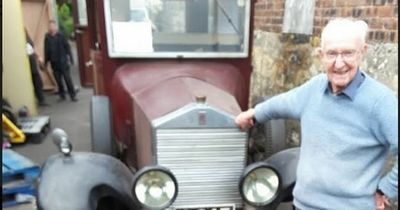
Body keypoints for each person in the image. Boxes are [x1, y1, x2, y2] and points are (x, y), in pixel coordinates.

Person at [235, 18, 397, 210]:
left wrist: (386, 189)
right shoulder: (314, 88)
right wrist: (253, 114)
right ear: (321, 55)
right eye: (331, 54)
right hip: (302, 206)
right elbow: (282, 103)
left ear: (363, 52)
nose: (339, 63)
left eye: (348, 53)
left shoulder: (381, 102)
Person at [44, 20, 78, 102]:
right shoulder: (47, 37)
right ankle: (62, 95)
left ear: (55, 27)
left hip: (63, 61)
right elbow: (46, 50)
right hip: (54, 62)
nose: (51, 28)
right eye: (50, 26)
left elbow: (67, 47)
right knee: (58, 80)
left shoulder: (61, 35)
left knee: (67, 79)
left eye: (52, 26)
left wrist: (71, 58)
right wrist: (46, 61)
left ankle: (72, 95)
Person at [25, 29, 49, 107]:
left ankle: (41, 99)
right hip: (27, 62)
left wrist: (38, 57)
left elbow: (32, 49)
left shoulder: (28, 40)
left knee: (38, 82)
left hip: (32, 61)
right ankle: (38, 99)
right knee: (34, 81)